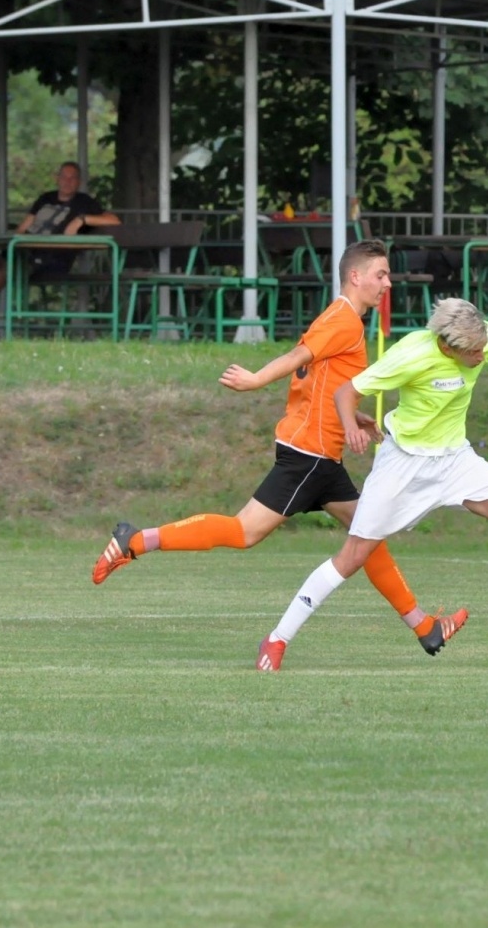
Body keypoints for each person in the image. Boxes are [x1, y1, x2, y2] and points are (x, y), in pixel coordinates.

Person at [91, 240, 468, 667]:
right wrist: (255, 380)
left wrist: (354, 417)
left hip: (319, 454)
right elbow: (298, 356)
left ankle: (424, 627)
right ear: (355, 276)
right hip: (311, 456)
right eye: (380, 275)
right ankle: (135, 541)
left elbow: (319, 381)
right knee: (245, 532)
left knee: (367, 537)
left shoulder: (345, 320)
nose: (387, 283)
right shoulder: (343, 318)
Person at [260, 298, 488, 665]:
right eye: (473, 352)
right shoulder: (411, 353)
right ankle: (277, 640)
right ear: (445, 345)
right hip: (403, 464)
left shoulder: (487, 339)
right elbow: (346, 392)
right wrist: (350, 427)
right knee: (352, 557)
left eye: (482, 347)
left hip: (456, 460)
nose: (481, 355)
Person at [0, 162, 121, 309]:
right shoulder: (45, 198)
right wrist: (4, 243)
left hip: (51, 259)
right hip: (24, 252)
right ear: (57, 179)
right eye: (64, 177)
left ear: (79, 182)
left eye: (73, 178)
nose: (67, 181)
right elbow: (23, 228)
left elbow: (114, 221)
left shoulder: (84, 202)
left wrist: (81, 219)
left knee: (9, 271)